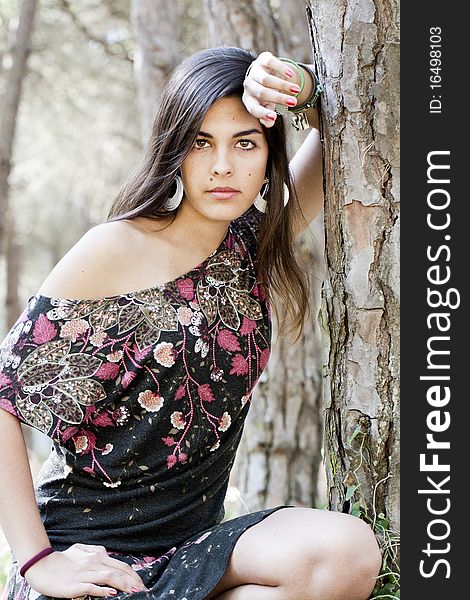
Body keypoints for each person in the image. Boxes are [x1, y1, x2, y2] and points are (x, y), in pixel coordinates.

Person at [0, 46, 382, 600]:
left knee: (345, 555)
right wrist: (37, 561)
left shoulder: (250, 241)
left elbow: (329, 135)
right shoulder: (114, 249)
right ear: (174, 152)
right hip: (92, 557)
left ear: (268, 157)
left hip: (194, 549)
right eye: (201, 143)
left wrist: (299, 86)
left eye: (245, 143)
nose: (223, 166)